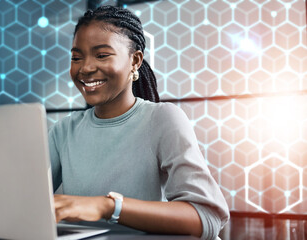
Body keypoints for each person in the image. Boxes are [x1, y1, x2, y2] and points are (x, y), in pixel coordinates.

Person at [48, 5, 229, 240]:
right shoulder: (64, 131)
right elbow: (27, 200)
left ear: (135, 61)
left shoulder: (162, 119)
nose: (86, 68)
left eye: (102, 55)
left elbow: (206, 217)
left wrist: (108, 206)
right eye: (76, 57)